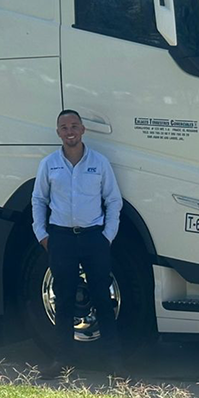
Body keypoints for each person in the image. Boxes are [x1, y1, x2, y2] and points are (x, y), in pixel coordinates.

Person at [32, 109, 123, 378]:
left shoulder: (99, 163)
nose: (69, 131)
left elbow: (113, 200)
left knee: (102, 300)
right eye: (64, 127)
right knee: (65, 301)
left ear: (83, 129)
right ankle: (62, 360)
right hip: (60, 239)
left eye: (74, 126)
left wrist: (107, 235)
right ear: (58, 132)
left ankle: (113, 360)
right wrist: (42, 234)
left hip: (94, 238)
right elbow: (38, 199)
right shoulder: (49, 164)